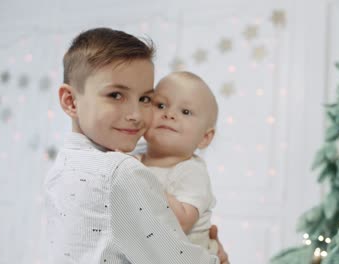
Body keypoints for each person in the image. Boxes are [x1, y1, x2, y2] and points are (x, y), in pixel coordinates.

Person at [44, 27, 228, 264]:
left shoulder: (62, 166)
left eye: (144, 99)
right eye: (116, 95)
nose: (135, 114)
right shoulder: (122, 172)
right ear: (71, 101)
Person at [136, 71, 219, 254]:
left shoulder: (191, 172)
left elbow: (181, 223)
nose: (170, 114)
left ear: (204, 137)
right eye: (161, 105)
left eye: (186, 111)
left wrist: (139, 176)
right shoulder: (133, 154)